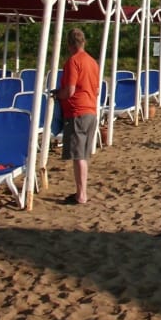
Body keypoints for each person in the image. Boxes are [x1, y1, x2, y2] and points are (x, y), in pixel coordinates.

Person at [51, 28, 100, 204]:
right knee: (83, 155)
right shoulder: (93, 62)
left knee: (78, 155)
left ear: (70, 45)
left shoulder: (73, 62)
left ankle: (81, 194)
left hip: (77, 112)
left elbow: (70, 90)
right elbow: (97, 89)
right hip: (91, 111)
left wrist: (58, 95)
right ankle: (82, 192)